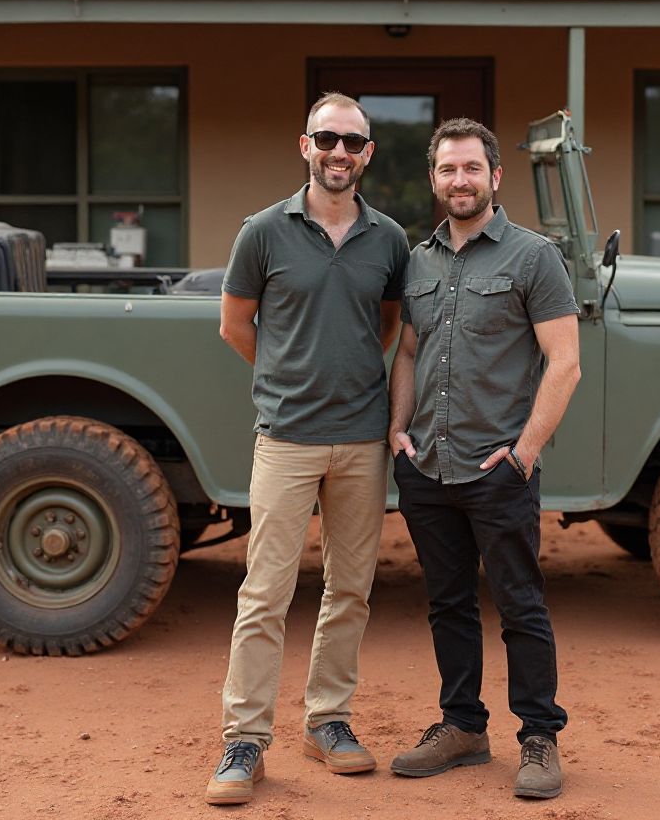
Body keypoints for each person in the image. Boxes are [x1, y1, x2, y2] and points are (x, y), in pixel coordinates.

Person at [206, 92, 410, 806]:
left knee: (350, 589)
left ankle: (328, 721)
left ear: (368, 154)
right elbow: (235, 325)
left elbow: (387, 325)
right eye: (327, 139)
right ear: (306, 146)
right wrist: (286, 376)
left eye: (352, 142)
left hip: (361, 440)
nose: (339, 153)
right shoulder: (262, 232)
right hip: (286, 439)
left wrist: (348, 378)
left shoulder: (389, 239)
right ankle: (244, 740)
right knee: (265, 592)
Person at [387, 117, 580, 800]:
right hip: (427, 467)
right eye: (448, 169)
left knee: (520, 605)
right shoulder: (419, 260)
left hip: (497, 470)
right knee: (448, 604)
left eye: (471, 168)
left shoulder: (533, 257)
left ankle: (539, 736)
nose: (460, 180)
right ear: (434, 179)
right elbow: (409, 350)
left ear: (495, 176)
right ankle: (463, 726)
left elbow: (565, 362)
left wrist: (524, 454)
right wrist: (398, 429)